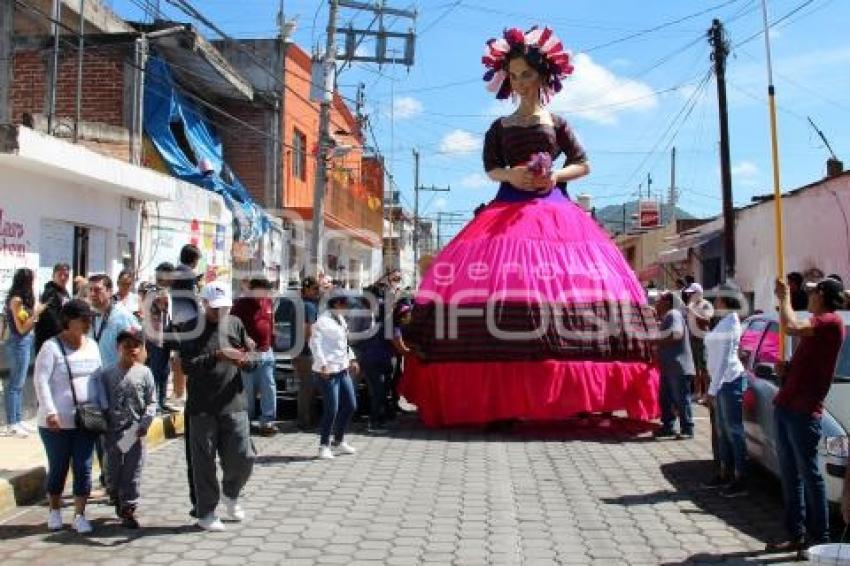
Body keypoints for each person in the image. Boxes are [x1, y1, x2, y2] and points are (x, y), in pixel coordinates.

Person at [400, 26, 659, 426]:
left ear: (541, 75)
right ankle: (497, 399)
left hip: (554, 209)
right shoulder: (499, 128)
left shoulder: (557, 122)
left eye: (526, 74)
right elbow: (489, 168)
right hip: (506, 207)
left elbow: (583, 163)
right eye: (514, 75)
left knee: (566, 283)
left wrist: (555, 177)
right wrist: (511, 175)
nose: (520, 82)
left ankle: (575, 394)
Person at [767, 277, 846, 554]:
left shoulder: (829, 322)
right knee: (790, 475)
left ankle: (819, 538)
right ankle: (796, 534)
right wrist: (786, 370)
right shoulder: (819, 325)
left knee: (809, 475)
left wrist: (785, 297)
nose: (809, 297)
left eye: (812, 293)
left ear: (822, 295)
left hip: (803, 412)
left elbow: (790, 326)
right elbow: (808, 362)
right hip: (788, 405)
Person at [178, 280, 256, 531]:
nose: (220, 313)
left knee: (244, 455)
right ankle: (206, 512)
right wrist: (217, 356)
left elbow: (251, 355)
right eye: (214, 308)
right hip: (202, 407)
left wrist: (245, 361)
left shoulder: (235, 324)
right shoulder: (190, 328)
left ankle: (231, 494)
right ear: (204, 304)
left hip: (234, 402)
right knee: (204, 462)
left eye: (224, 308)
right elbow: (187, 366)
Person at [33, 299, 102, 534]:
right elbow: (40, 381)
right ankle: (54, 511)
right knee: (59, 467)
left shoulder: (92, 345)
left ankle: (80, 515)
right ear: (67, 321)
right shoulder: (51, 347)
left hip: (87, 420)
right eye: (82, 319)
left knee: (83, 467)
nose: (87, 323)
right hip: (57, 423)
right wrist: (50, 411)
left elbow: (98, 378)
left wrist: (103, 407)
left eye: (89, 319)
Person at [96, 329, 156, 529]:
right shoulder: (106, 374)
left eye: (135, 346)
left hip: (134, 431)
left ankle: (128, 507)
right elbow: (101, 401)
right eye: (126, 346)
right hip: (113, 432)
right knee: (113, 470)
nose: (131, 349)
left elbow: (151, 401)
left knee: (133, 470)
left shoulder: (145, 373)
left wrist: (145, 423)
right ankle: (114, 494)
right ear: (118, 348)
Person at [702, 283, 748, 498]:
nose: (715, 301)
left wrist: (712, 390)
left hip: (728, 382)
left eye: (719, 298)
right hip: (721, 383)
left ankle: (740, 479)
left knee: (733, 431)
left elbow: (723, 360)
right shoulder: (723, 321)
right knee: (722, 432)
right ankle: (724, 473)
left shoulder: (731, 324)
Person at [311, 291, 359, 459]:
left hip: (342, 368)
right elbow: (315, 345)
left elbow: (344, 343)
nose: (348, 308)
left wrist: (352, 359)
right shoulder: (322, 321)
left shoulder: (340, 319)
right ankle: (323, 446)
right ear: (337, 304)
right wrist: (323, 365)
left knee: (351, 405)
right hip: (328, 372)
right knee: (332, 408)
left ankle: (338, 441)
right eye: (346, 305)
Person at [3, 268, 47, 437]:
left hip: (25, 341)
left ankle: (18, 420)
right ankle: (11, 423)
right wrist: (36, 313)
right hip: (18, 342)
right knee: (15, 384)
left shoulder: (22, 300)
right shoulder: (16, 300)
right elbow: (21, 328)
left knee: (19, 384)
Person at [231, 277, 277, 436]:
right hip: (249, 354)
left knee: (268, 388)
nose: (262, 295)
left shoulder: (268, 301)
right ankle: (247, 421)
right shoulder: (240, 305)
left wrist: (272, 336)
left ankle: (267, 422)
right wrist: (242, 346)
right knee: (248, 391)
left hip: (266, 352)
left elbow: (271, 320)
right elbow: (232, 327)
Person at [653, 291, 696, 439]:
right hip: (669, 367)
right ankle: (668, 427)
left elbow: (676, 334)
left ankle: (687, 428)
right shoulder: (668, 316)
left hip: (678, 367)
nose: (656, 304)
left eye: (658, 301)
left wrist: (657, 341)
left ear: (667, 302)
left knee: (681, 399)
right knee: (666, 399)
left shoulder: (673, 314)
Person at [88, 274, 142, 368]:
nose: (92, 294)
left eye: (97, 290)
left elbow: (140, 349)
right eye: (90, 290)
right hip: (96, 377)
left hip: (118, 378)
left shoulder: (122, 316)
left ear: (109, 291)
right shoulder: (90, 315)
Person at [140, 283, 172, 413]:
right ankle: (154, 403)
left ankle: (162, 401)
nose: (166, 305)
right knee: (155, 374)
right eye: (164, 302)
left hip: (164, 344)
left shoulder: (164, 311)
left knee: (164, 373)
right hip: (153, 344)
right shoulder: (151, 310)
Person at [294, 276, 321, 430]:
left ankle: (308, 419)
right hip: (306, 352)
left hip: (300, 351)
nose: (318, 292)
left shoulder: (300, 304)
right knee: (307, 388)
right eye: (315, 289)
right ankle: (304, 421)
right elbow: (308, 330)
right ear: (306, 289)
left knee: (307, 387)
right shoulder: (309, 306)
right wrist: (313, 348)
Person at [683, 282, 713, 401]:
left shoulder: (706, 305)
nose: (690, 295)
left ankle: (706, 393)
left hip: (703, 339)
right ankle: (697, 392)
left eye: (692, 293)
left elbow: (707, 321)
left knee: (704, 367)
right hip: (693, 338)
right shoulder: (692, 304)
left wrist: (693, 312)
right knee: (695, 367)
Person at [34, 263, 70, 355]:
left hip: (58, 340)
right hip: (48, 340)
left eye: (66, 275)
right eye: (60, 275)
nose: (63, 278)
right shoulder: (50, 292)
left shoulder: (63, 291)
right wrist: (66, 335)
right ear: (53, 276)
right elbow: (52, 319)